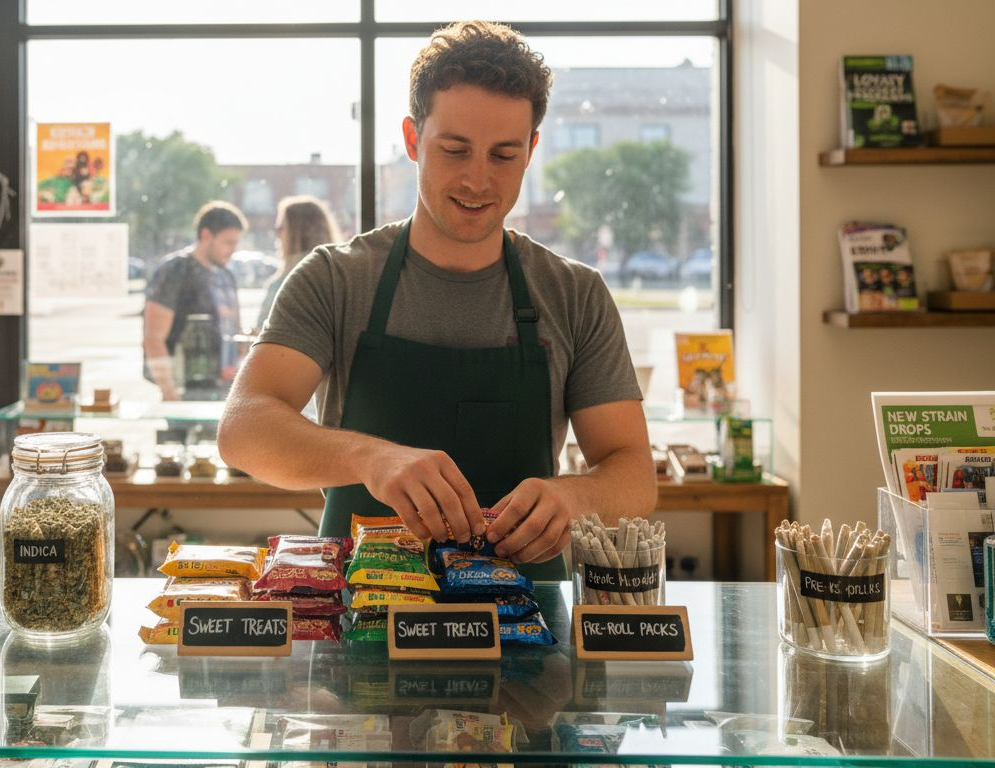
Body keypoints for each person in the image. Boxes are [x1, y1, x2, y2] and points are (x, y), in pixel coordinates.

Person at [218, 21, 656, 576]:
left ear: (531, 151)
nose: (477, 180)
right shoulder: (335, 278)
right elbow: (243, 428)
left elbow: (634, 474)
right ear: (411, 139)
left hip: (522, 628)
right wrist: (369, 458)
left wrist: (574, 498)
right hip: (358, 626)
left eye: (503, 155)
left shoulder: (574, 294)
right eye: (455, 150)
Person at [142, 201, 246, 401]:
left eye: (236, 243)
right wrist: (169, 392)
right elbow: (153, 337)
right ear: (206, 235)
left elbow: (235, 330)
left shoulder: (227, 276)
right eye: (228, 242)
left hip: (225, 390)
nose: (233, 250)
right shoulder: (175, 271)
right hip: (185, 391)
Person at [256, 195, 341, 331]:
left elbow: (264, 333)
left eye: (280, 228)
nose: (276, 235)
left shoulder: (285, 281)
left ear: (295, 233)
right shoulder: (339, 273)